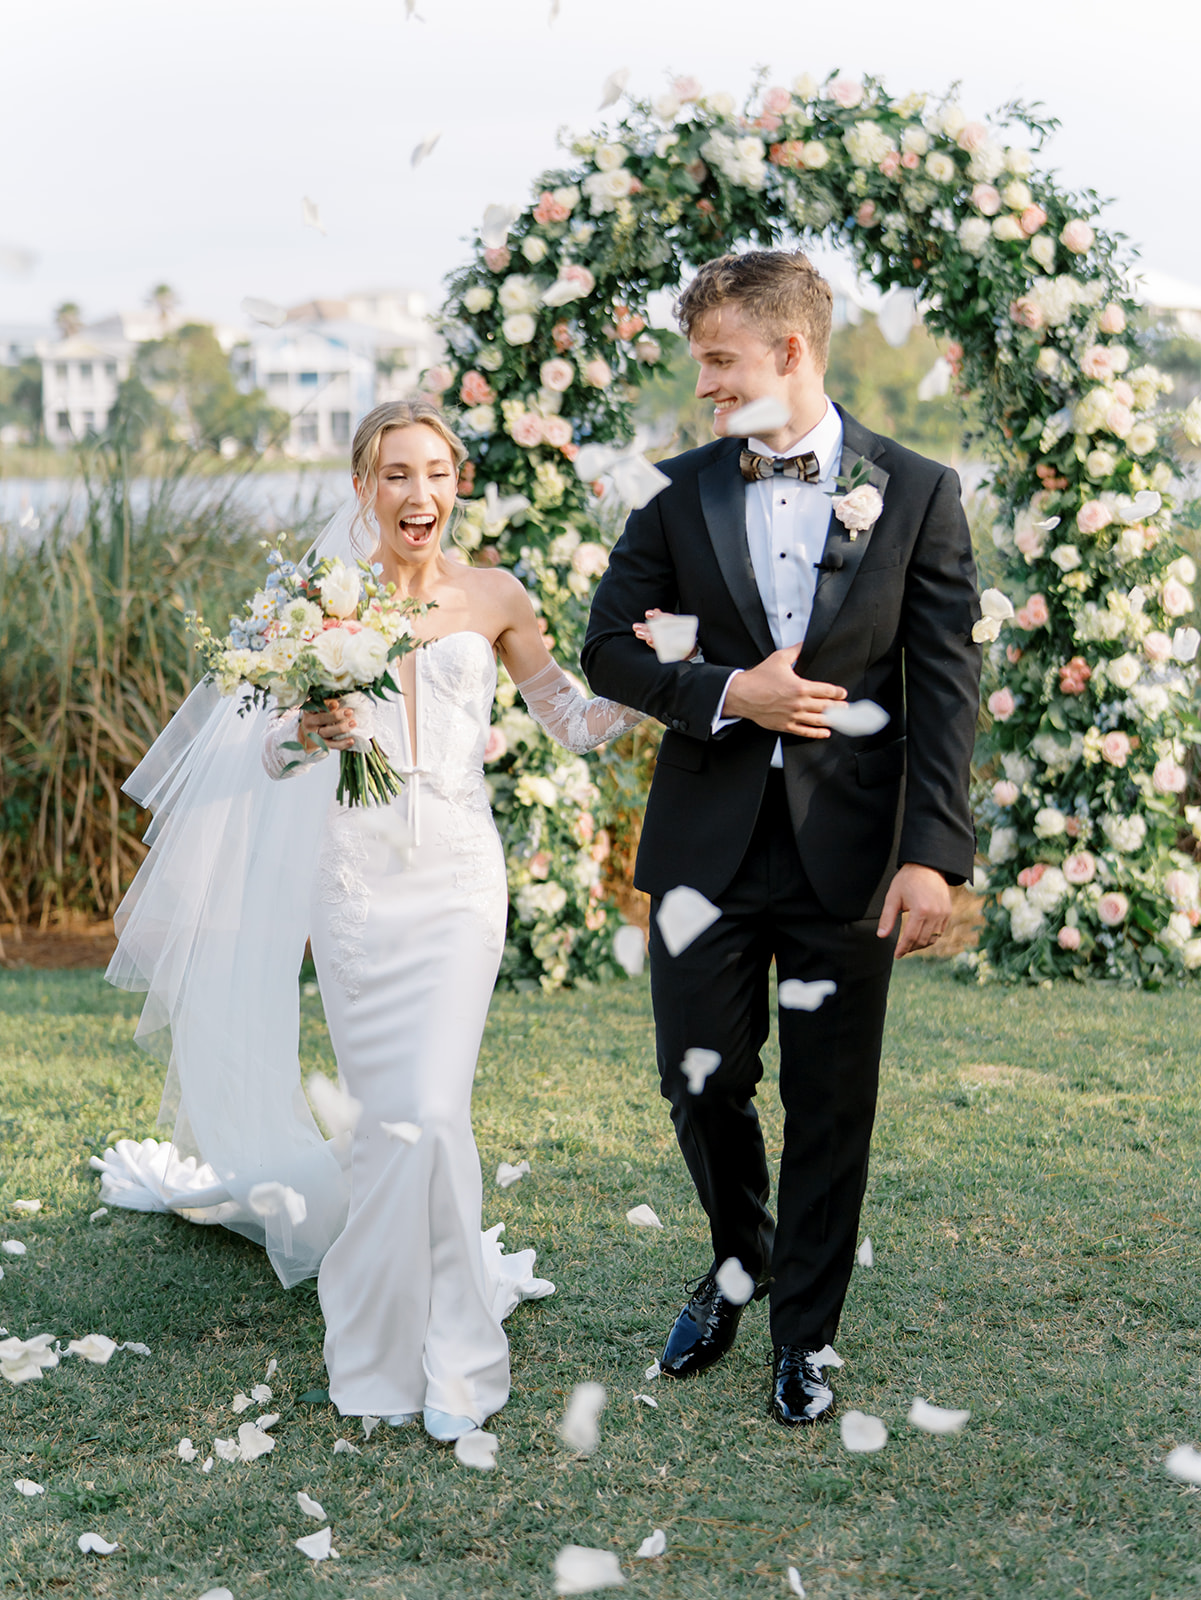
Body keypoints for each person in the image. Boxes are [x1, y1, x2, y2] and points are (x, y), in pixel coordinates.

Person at [98, 400, 642, 1443]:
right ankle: (378, 1352)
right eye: (396, 473)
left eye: (436, 472)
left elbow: (570, 718)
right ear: (362, 488)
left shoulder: (494, 596)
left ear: (457, 485)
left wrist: (668, 683)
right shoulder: (308, 605)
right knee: (397, 1121)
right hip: (352, 887)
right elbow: (251, 754)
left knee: (431, 1113)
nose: (418, 493)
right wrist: (303, 731)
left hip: (456, 883)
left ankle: (460, 1357)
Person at [582, 251, 981, 1426]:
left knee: (830, 1098)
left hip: (851, 854)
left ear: (789, 353)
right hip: (704, 846)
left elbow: (944, 685)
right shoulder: (676, 491)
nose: (704, 385)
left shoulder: (913, 490)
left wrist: (931, 853)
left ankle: (804, 1334)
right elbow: (606, 649)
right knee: (696, 1075)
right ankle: (736, 1254)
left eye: (719, 360)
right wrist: (724, 692)